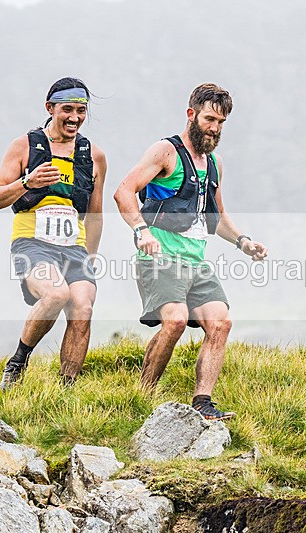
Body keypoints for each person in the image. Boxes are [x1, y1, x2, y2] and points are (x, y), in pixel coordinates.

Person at [113, 83, 267, 420]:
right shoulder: (165, 152)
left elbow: (217, 216)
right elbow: (124, 192)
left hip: (195, 262)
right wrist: (141, 231)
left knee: (221, 323)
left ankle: (203, 403)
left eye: (221, 123)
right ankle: (143, 396)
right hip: (160, 258)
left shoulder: (214, 164)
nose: (214, 128)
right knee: (176, 321)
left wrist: (243, 241)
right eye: (209, 119)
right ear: (191, 114)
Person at [0, 77, 107, 390]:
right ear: (50, 108)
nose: (75, 117)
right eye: (67, 109)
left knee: (83, 305)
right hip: (32, 242)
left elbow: (95, 215)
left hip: (74, 246)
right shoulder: (24, 146)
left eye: (81, 111)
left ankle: (66, 389)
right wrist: (27, 182)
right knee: (56, 294)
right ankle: (18, 362)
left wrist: (90, 257)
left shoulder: (93, 155)